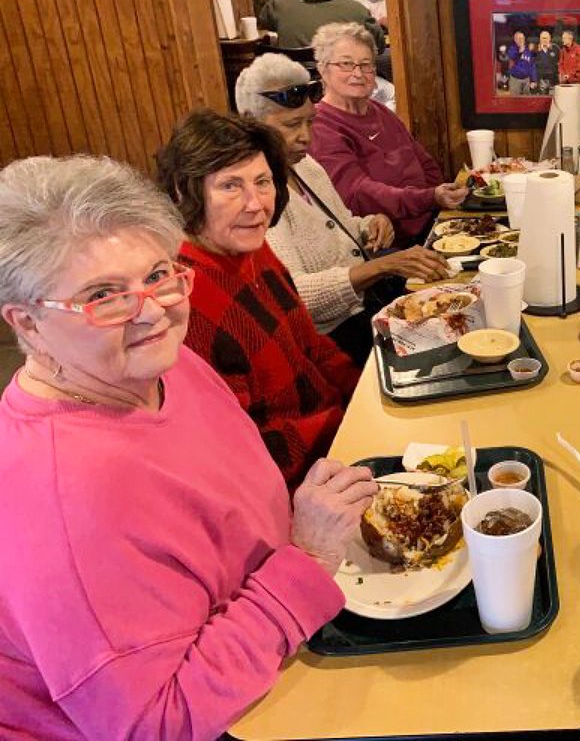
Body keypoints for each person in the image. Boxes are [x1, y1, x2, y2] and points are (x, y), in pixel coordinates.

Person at [0, 154, 377, 739]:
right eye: (104, 295)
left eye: (157, 275)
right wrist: (308, 560)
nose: (152, 311)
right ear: (25, 323)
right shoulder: (62, 498)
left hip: (271, 646)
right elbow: (156, 723)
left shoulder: (163, 367)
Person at [157, 109, 361, 488]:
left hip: (341, 434)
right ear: (185, 192)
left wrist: (367, 398)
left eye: (262, 181)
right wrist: (345, 430)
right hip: (301, 481)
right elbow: (238, 449)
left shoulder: (253, 250)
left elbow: (313, 346)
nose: (255, 204)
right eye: (231, 186)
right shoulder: (183, 301)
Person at [235, 53, 451, 364]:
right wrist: (381, 266)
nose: (305, 137)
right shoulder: (256, 197)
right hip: (329, 342)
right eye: (291, 125)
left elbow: (344, 225)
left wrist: (371, 224)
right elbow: (295, 294)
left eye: (310, 122)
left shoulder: (306, 167)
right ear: (251, 125)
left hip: (366, 311)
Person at [308, 22, 466, 244]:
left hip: (433, 224)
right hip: (389, 243)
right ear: (322, 70)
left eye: (366, 65)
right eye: (346, 64)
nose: (358, 73)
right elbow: (357, 195)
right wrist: (430, 198)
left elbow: (425, 164)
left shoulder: (380, 110)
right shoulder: (321, 126)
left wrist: (439, 207)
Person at [258, 0, 384, 52]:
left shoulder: (278, 4)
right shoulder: (358, 10)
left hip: (293, 84)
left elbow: (261, 23)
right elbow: (379, 45)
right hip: (342, 87)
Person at [506, 30, 536, 95]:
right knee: (515, 101)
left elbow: (532, 66)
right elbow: (512, 56)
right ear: (515, 40)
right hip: (515, 80)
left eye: (522, 38)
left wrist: (533, 80)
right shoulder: (512, 49)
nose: (521, 40)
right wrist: (520, 51)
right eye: (519, 38)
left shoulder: (528, 50)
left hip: (526, 80)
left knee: (527, 100)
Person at [533, 30, 559, 95]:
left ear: (550, 38)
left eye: (546, 38)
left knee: (553, 100)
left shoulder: (555, 48)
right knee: (542, 100)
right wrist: (533, 80)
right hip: (540, 80)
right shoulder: (534, 49)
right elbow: (531, 66)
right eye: (543, 38)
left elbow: (560, 63)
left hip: (553, 80)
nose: (544, 40)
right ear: (540, 39)